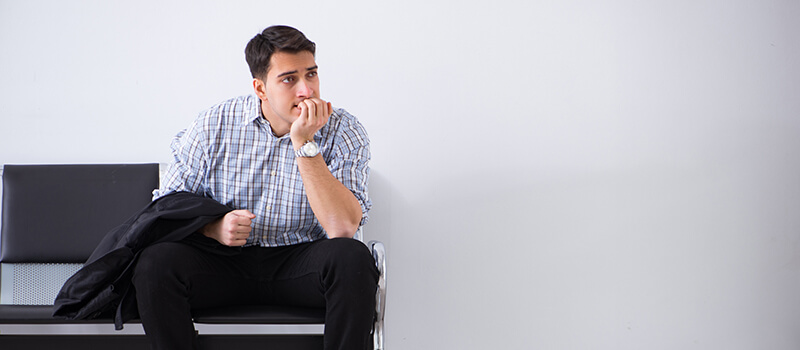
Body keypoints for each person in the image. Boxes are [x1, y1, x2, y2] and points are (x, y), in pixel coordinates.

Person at [131, 25, 379, 350]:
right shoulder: (214, 124)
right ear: (260, 88)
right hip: (222, 261)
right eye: (289, 79)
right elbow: (165, 209)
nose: (306, 90)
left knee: (352, 259)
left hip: (300, 261)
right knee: (155, 263)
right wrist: (212, 227)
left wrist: (304, 143)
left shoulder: (344, 131)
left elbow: (343, 227)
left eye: (312, 74)